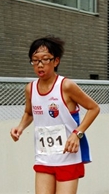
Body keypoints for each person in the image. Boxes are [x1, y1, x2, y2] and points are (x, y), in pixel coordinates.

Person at [10, 35, 100, 194]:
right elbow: (29, 113)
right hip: (44, 156)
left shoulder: (66, 86)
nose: (39, 64)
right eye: (35, 60)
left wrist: (77, 133)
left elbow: (94, 108)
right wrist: (20, 127)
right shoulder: (30, 88)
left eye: (45, 59)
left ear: (56, 61)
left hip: (68, 156)